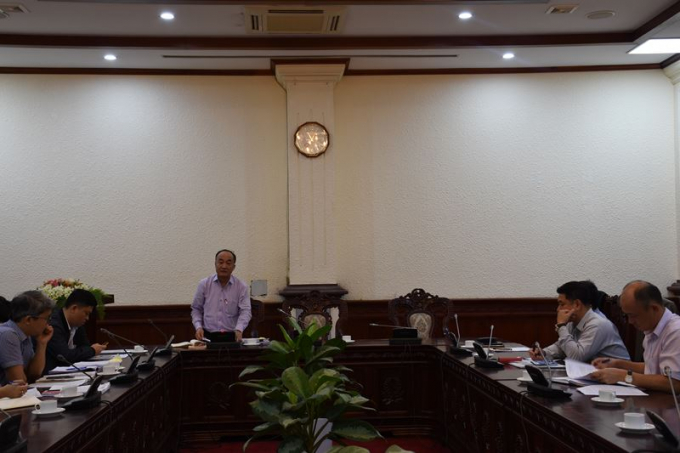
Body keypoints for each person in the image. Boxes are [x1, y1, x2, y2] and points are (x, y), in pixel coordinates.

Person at [591, 281, 680, 393]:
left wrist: (623, 376)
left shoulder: (675, 331)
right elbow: (652, 368)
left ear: (654, 309)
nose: (630, 321)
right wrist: (617, 364)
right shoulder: (651, 328)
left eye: (633, 315)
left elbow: (674, 383)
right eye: (626, 315)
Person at [529, 281, 629, 363]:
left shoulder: (597, 324)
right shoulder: (572, 322)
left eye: (562, 304)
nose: (558, 309)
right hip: (597, 375)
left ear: (577, 304)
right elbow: (561, 347)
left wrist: (561, 326)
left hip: (619, 378)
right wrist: (544, 353)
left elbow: (576, 357)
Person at [191, 249, 252, 342]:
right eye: (220, 262)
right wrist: (198, 327)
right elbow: (196, 309)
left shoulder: (241, 287)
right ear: (215, 264)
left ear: (233, 267)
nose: (224, 266)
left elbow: (245, 311)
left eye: (228, 263)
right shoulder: (204, 284)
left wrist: (239, 329)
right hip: (208, 336)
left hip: (232, 336)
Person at [44, 289, 108, 373]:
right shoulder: (54, 324)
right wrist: (92, 350)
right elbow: (66, 356)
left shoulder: (77, 323)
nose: (87, 318)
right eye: (86, 313)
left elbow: (85, 346)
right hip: (49, 374)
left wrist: (88, 350)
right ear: (74, 308)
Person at [0, 291, 54, 384]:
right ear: (28, 320)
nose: (48, 323)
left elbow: (34, 375)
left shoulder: (25, 333)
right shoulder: (7, 335)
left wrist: (42, 344)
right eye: (46, 318)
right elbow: (18, 381)